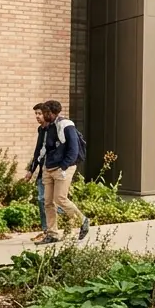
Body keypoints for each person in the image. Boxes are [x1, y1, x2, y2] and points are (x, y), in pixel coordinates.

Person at [36, 101, 89, 244]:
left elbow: (73, 150)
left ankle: (83, 220)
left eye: (45, 112)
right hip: (49, 167)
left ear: (53, 113)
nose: (42, 115)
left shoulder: (66, 125)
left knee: (60, 198)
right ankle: (52, 234)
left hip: (63, 167)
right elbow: (43, 148)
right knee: (48, 202)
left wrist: (64, 166)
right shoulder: (48, 127)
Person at [22, 102, 61, 239]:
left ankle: (60, 224)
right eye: (36, 114)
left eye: (39, 113)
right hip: (42, 170)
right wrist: (30, 170)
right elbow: (38, 151)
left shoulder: (54, 128)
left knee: (53, 200)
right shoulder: (41, 130)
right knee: (41, 200)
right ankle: (47, 230)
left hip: (53, 169)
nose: (37, 116)